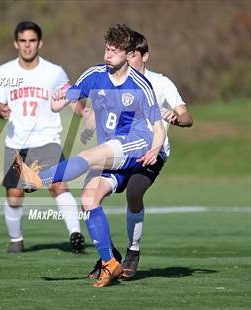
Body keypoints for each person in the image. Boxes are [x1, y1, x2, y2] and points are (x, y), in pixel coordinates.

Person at [13, 24, 166, 287]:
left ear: (128, 54)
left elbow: (158, 126)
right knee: (88, 199)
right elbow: (65, 99)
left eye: (115, 51)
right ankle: (109, 263)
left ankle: (38, 179)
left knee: (90, 155)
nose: (108, 55)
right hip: (110, 151)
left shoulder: (141, 84)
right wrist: (57, 100)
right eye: (107, 49)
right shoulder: (95, 75)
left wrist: (154, 148)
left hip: (136, 144)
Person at [82, 31, 194, 280]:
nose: (129, 59)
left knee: (134, 192)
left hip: (149, 154)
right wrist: (89, 125)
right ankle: (109, 257)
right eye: (127, 54)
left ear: (145, 56)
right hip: (118, 152)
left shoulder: (160, 83)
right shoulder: (112, 79)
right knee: (89, 197)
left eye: (133, 54)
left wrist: (177, 119)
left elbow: (187, 116)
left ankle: (133, 252)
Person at [0, 21, 85, 254]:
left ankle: (76, 234)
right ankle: (16, 240)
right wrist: (1, 111)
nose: (27, 46)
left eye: (32, 41)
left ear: (40, 43)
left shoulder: (54, 72)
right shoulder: (5, 71)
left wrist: (85, 112)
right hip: (16, 142)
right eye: (23, 41)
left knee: (57, 185)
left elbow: (70, 97)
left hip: (47, 139)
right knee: (15, 195)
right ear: (16, 43)